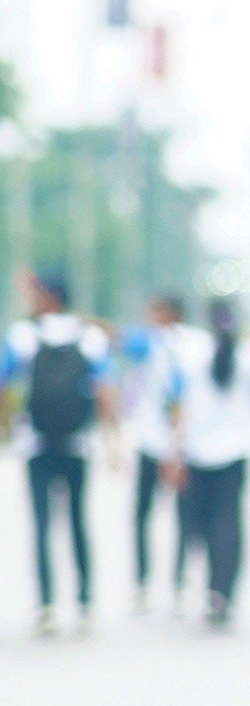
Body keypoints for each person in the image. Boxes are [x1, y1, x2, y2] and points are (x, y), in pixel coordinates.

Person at [0, 269, 118, 636]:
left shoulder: (22, 335)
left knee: (42, 524)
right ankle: (84, 602)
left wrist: (6, 427)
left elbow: (4, 385)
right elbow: (105, 390)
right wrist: (114, 440)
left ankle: (46, 605)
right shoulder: (90, 336)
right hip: (79, 443)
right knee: (79, 521)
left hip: (35, 442)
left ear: (48, 296)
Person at [169, 299, 250, 627]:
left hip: (197, 451)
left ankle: (208, 587)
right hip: (236, 451)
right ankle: (222, 591)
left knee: (200, 524)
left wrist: (174, 454)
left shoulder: (189, 355)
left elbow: (179, 408)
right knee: (229, 521)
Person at [118, 292, 188, 608]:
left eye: (155, 313)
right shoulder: (195, 345)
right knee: (180, 518)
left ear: (171, 314)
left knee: (145, 516)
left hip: (161, 443)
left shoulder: (152, 343)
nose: (149, 319)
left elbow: (116, 336)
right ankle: (175, 585)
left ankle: (146, 584)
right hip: (176, 443)